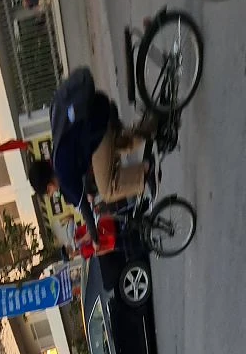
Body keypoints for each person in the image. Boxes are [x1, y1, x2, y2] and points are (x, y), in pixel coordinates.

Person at [28, 66, 155, 249]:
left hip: (99, 128)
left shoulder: (62, 175)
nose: (52, 193)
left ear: (49, 186)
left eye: (49, 192)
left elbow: (85, 210)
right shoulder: (57, 156)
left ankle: (146, 173)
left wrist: (95, 239)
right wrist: (86, 192)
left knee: (107, 190)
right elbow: (82, 176)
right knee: (119, 147)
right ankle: (156, 125)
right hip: (99, 108)